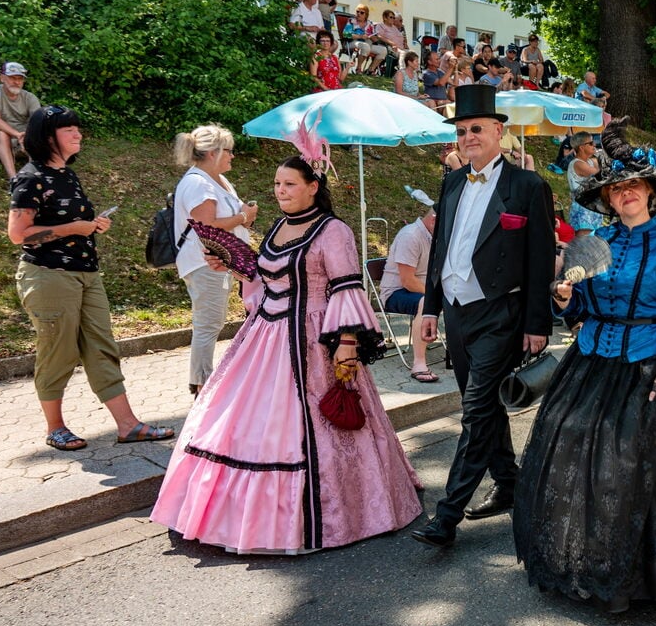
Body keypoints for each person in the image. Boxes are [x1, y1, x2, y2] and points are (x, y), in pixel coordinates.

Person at [514, 116, 656, 612]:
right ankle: (586, 561)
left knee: (641, 460)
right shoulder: (594, 245)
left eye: (634, 186)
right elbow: (580, 308)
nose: (626, 194)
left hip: (648, 364)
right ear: (609, 199)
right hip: (592, 359)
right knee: (574, 441)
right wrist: (566, 297)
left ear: (652, 194)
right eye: (618, 189)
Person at [151, 154, 423, 554]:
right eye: (277, 184)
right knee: (242, 420)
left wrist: (346, 345)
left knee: (323, 425)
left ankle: (341, 513)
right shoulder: (278, 226)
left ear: (313, 187)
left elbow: (346, 289)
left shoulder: (334, 231)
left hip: (314, 338)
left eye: (290, 184)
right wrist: (232, 265)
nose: (280, 191)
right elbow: (266, 277)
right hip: (266, 335)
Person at [409, 86, 555, 548]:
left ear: (498, 132)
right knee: (487, 407)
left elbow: (539, 258)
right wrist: (429, 307)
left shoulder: (528, 186)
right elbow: (440, 249)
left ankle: (446, 515)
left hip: (501, 312)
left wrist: (537, 323)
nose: (469, 136)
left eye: (477, 129)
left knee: (474, 410)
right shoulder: (451, 182)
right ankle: (508, 483)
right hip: (455, 311)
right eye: (462, 130)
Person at [8, 105, 175, 451]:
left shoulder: (67, 174)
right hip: (48, 276)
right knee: (59, 351)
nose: (78, 134)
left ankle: (128, 425)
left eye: (77, 128)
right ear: (48, 136)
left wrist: (92, 225)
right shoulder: (30, 177)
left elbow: (66, 222)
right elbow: (18, 233)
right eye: (69, 129)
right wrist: (73, 228)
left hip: (86, 274)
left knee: (102, 347)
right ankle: (55, 428)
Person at [172, 124, 256, 396]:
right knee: (208, 324)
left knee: (212, 322)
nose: (233, 156)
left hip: (221, 261)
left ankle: (203, 381)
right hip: (204, 263)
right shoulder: (197, 183)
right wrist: (244, 217)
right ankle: (201, 384)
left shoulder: (216, 180)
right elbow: (208, 226)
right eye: (229, 151)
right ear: (212, 152)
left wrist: (244, 217)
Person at [382, 203, 440, 382]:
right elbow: (408, 281)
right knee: (426, 302)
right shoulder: (411, 236)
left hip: (423, 290)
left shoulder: (433, 237)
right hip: (396, 292)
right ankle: (419, 363)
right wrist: (436, 297)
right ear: (434, 220)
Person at [0, 62, 41, 180]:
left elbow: (38, 122)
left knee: (41, 134)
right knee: (2, 134)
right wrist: (17, 134)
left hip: (22, 142)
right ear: (2, 78)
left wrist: (28, 137)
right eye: (12, 78)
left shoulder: (30, 97)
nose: (17, 82)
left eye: (20, 79)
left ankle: (35, 178)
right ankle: (14, 179)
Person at [564, 132, 607, 237]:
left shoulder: (591, 161)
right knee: (584, 244)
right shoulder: (577, 164)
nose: (594, 145)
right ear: (582, 147)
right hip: (583, 208)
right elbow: (601, 175)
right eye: (591, 143)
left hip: (593, 207)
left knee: (592, 244)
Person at [343, 5, 385, 75]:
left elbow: (374, 38)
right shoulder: (351, 21)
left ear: (366, 15)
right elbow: (346, 34)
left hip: (367, 44)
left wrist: (374, 38)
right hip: (351, 42)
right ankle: (358, 69)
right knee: (366, 46)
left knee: (383, 50)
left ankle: (370, 70)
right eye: (357, 12)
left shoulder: (369, 23)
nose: (359, 14)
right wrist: (360, 36)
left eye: (362, 12)